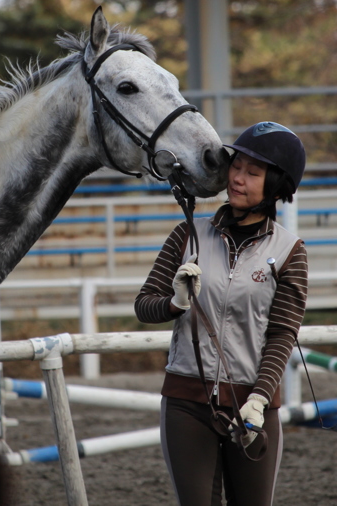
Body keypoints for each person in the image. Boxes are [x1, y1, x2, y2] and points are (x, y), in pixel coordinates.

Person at [136, 121, 309, 506]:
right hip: (186, 404)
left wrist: (261, 398)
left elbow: (282, 333)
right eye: (236, 166)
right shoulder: (187, 234)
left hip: (253, 407)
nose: (238, 178)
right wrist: (175, 303)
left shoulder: (290, 251)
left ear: (277, 186)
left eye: (253, 172)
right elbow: (144, 304)